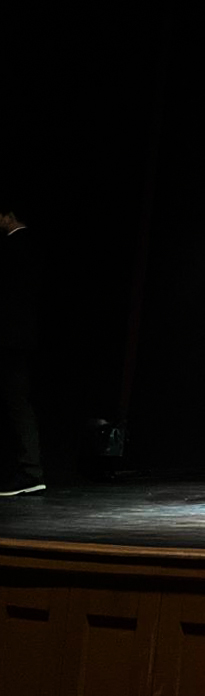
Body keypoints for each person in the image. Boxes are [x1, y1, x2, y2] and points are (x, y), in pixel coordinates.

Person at [0, 197, 44, 497]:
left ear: (9, 215)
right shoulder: (31, 246)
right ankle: (27, 469)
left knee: (16, 402)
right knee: (17, 401)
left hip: (11, 340)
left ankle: (29, 471)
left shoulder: (14, 247)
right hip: (22, 338)